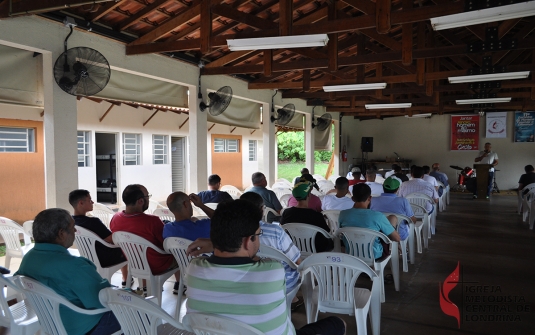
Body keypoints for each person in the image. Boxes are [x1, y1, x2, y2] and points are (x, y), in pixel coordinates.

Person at [185, 200, 346, 335]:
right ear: (249, 241)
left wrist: (217, 243)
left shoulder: (193, 270)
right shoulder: (272, 271)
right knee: (337, 323)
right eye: (258, 235)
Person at [15, 208, 121, 335]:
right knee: (142, 315)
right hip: (84, 327)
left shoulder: (28, 258)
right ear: (61, 234)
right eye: (72, 227)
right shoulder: (75, 266)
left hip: (51, 324)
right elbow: (102, 301)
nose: (75, 230)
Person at [110, 184, 179, 294]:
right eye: (148, 197)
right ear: (140, 201)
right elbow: (167, 245)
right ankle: (180, 285)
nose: (149, 199)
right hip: (158, 265)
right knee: (180, 253)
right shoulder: (153, 221)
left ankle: (145, 286)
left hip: (134, 264)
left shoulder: (115, 218)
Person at [240, 192, 303, 310]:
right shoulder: (276, 232)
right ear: (262, 210)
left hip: (246, 281)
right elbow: (297, 262)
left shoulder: (233, 233)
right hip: (281, 284)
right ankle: (292, 300)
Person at [68, 190, 128, 286]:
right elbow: (113, 240)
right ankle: (126, 280)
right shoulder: (93, 222)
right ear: (81, 203)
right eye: (90, 200)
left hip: (87, 257)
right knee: (126, 249)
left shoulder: (71, 222)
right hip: (104, 258)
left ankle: (126, 278)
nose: (92, 202)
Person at [339, 184, 401, 259]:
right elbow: (397, 238)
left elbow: (340, 234)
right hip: (374, 255)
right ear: (370, 198)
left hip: (351, 253)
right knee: (391, 221)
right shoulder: (378, 216)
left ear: (353, 198)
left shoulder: (343, 214)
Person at [281, 181, 334, 252]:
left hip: (293, 247)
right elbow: (327, 232)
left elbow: (282, 228)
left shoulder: (286, 213)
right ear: (308, 195)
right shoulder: (316, 215)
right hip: (315, 248)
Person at [370, 177, 416, 242]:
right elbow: (412, 220)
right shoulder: (403, 201)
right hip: (399, 235)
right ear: (397, 189)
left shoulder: (372, 200)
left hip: (377, 235)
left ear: (383, 187)